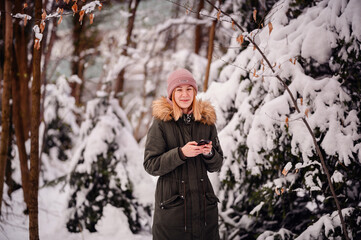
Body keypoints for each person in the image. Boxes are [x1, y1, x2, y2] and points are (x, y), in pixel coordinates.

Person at [144, 68, 223, 240]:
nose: (184, 94)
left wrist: (209, 154)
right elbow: (151, 164)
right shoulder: (161, 123)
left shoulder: (206, 122)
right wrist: (181, 153)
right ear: (172, 94)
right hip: (173, 212)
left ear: (194, 92)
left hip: (204, 212)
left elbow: (217, 165)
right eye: (179, 90)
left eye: (189, 89)